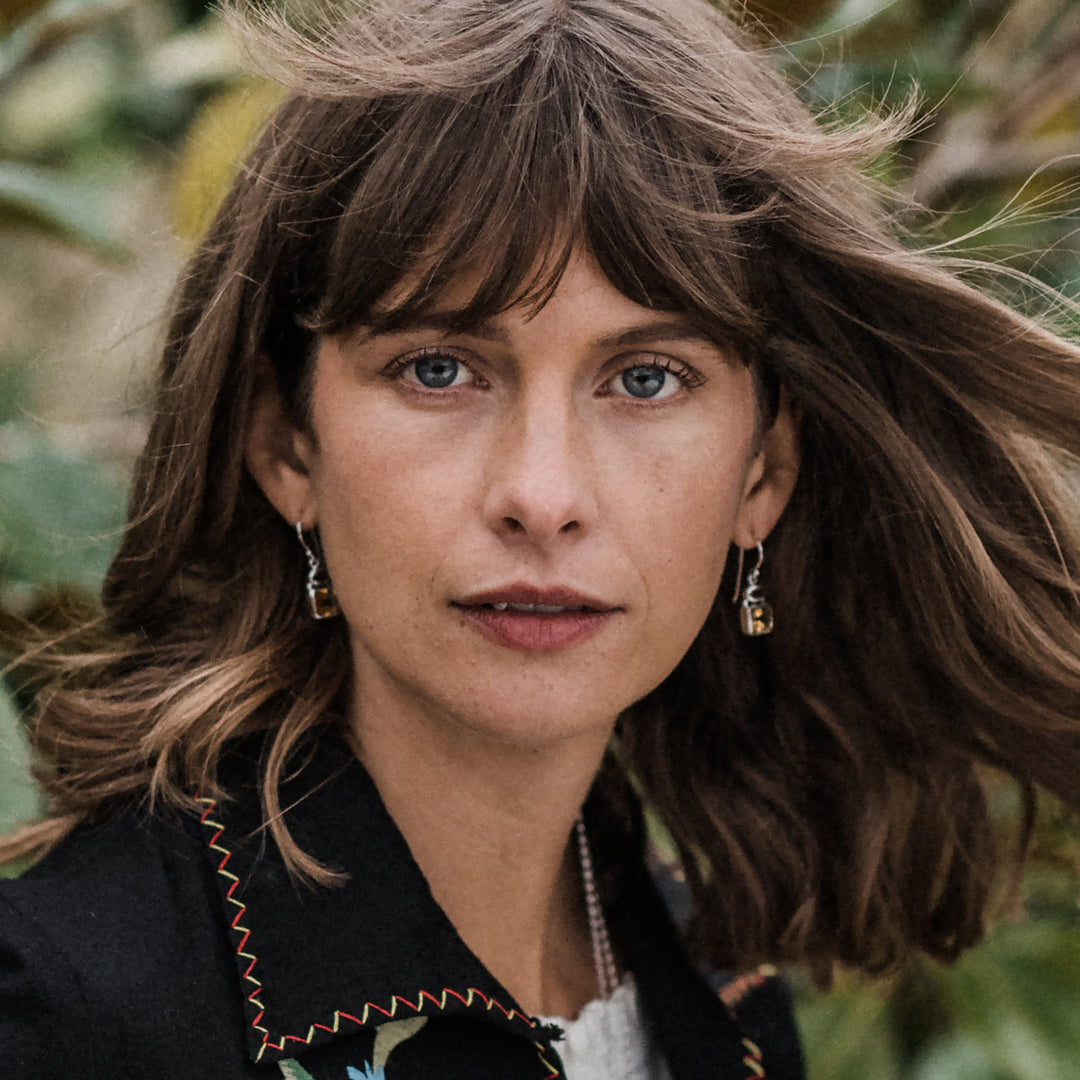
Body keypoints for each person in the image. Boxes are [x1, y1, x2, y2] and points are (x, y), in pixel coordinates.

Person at [2, 0, 1080, 1076]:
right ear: (287, 445)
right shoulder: (69, 1005)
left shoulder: (721, 984)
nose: (543, 493)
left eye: (646, 379)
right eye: (439, 369)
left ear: (763, 473)